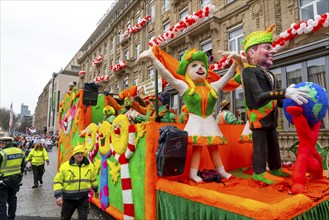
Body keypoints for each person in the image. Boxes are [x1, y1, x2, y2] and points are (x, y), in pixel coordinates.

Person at [138, 47, 242, 182]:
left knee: (213, 147)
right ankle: (193, 174)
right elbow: (167, 75)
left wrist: (235, 62)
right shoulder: (184, 87)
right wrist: (153, 58)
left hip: (209, 121)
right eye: (194, 65)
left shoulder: (213, 87)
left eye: (202, 65)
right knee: (197, 148)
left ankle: (221, 171)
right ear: (187, 71)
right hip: (196, 122)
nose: (200, 68)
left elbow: (227, 77)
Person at [241, 25, 310, 184]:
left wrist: (295, 103)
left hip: (271, 120)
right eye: (267, 47)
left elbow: (277, 101)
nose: (273, 51)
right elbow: (259, 97)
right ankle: (259, 172)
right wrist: (284, 92)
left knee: (274, 145)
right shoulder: (249, 71)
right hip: (258, 118)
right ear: (252, 52)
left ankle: (275, 168)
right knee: (260, 147)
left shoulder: (271, 74)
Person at [53, 145, 99, 220]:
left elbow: (93, 179)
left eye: (81, 153)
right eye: (77, 153)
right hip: (69, 198)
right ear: (74, 155)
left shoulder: (90, 166)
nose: (80, 155)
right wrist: (58, 196)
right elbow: (57, 181)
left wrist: (96, 190)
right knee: (65, 218)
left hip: (83, 198)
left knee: (83, 218)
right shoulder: (65, 166)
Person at [0, 136, 25, 220]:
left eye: (1, 143)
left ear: (4, 143)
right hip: (15, 180)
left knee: (1, 201)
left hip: (3, 181)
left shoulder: (2, 153)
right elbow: (23, 167)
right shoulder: (20, 152)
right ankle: (11, 217)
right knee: (12, 199)